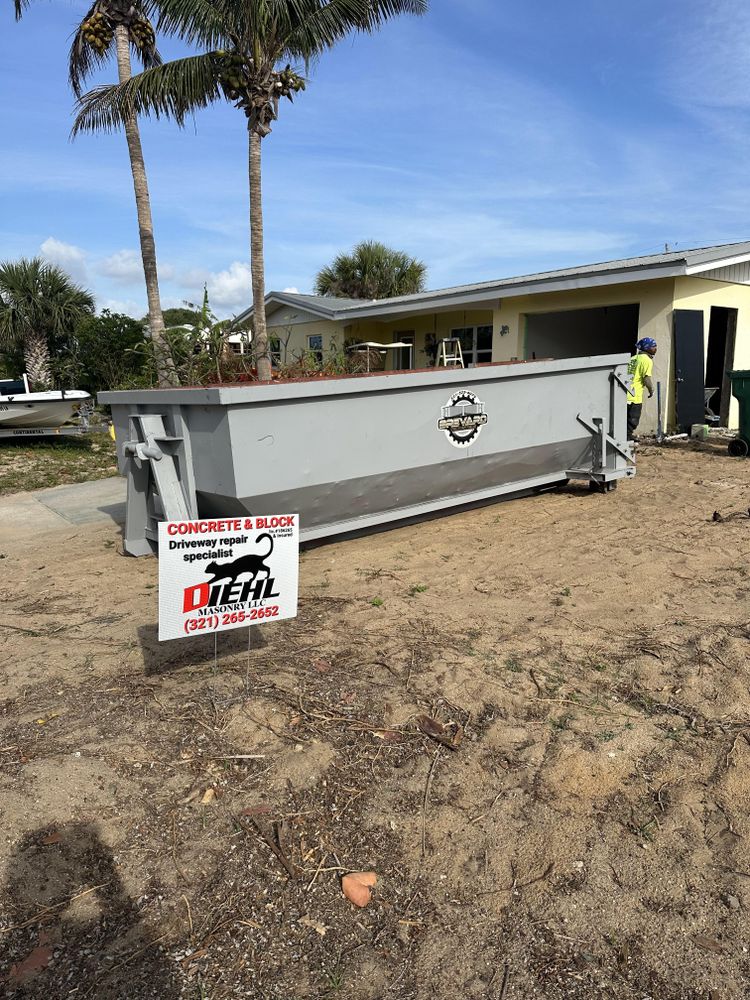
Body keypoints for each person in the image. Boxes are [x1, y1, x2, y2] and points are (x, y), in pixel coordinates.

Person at [626, 337, 657, 440]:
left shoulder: (633, 359)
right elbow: (646, 378)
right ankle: (627, 437)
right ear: (646, 347)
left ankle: (624, 436)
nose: (655, 348)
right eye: (653, 346)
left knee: (624, 418)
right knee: (633, 419)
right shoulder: (646, 360)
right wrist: (651, 389)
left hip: (625, 392)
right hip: (635, 395)